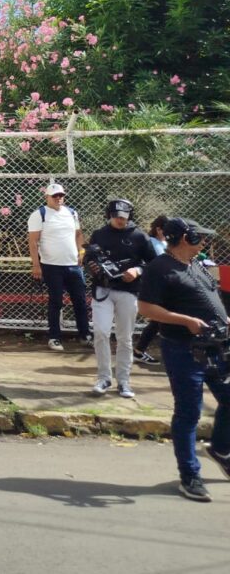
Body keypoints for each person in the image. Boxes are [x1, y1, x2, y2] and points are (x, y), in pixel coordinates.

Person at [137, 218, 230, 503]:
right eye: (199, 238)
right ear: (184, 238)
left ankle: (221, 449)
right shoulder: (159, 268)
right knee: (189, 413)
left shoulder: (196, 266)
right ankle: (190, 475)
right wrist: (185, 321)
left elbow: (211, 299)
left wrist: (225, 320)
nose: (203, 243)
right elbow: (145, 308)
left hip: (216, 346)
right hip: (183, 350)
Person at [86, 199, 158, 399]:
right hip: (103, 290)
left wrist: (137, 270)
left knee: (125, 337)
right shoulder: (99, 235)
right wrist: (92, 267)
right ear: (109, 215)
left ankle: (124, 381)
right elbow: (89, 258)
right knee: (100, 332)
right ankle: (104, 378)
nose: (120, 220)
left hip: (128, 291)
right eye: (117, 216)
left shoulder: (139, 236)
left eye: (124, 217)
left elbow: (153, 263)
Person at [28, 183, 90, 351]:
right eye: (55, 196)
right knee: (55, 302)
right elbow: (33, 242)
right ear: (47, 197)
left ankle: (85, 335)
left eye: (61, 195)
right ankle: (54, 337)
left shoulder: (71, 213)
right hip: (51, 266)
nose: (58, 198)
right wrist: (36, 265)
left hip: (73, 265)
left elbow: (78, 234)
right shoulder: (39, 214)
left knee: (80, 301)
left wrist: (81, 252)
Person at [135, 215, 171, 366]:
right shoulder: (154, 243)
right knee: (159, 319)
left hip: (166, 285)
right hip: (159, 286)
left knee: (159, 320)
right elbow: (161, 262)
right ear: (158, 229)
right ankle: (139, 350)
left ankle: (139, 350)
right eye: (167, 230)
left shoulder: (165, 242)